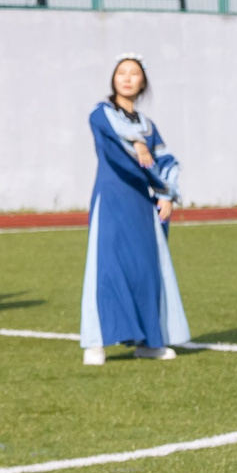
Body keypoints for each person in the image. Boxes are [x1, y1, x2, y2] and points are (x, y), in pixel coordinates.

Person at [80, 56, 188, 365]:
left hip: (142, 204)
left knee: (146, 271)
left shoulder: (148, 124)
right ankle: (96, 342)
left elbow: (166, 160)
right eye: (121, 72)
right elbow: (121, 147)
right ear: (113, 79)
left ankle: (149, 341)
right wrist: (140, 146)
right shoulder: (100, 114)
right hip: (112, 199)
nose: (127, 78)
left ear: (143, 83)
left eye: (134, 74)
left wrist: (166, 194)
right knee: (107, 269)